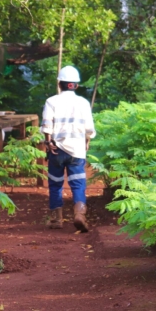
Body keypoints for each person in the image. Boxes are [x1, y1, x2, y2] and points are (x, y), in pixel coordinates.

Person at [40, 65, 96, 232]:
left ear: (59, 84)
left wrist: (48, 142)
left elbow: (47, 124)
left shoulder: (51, 101)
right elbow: (89, 129)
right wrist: (87, 141)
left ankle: (57, 219)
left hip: (56, 149)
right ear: (76, 85)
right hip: (77, 150)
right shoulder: (84, 103)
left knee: (55, 184)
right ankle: (79, 214)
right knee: (78, 184)